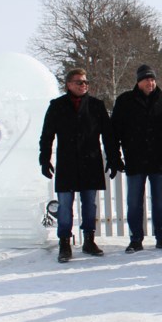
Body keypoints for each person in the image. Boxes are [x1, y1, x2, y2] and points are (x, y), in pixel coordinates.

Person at [39, 68, 122, 263]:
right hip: (67, 163)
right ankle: (65, 243)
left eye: (85, 82)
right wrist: (44, 159)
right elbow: (47, 135)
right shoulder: (57, 106)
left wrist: (113, 158)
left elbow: (108, 136)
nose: (83, 85)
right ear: (68, 85)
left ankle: (89, 240)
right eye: (78, 82)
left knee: (90, 204)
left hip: (90, 162)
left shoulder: (96, 106)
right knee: (65, 205)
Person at [111, 64, 162, 253]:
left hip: (159, 160)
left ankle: (161, 237)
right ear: (138, 81)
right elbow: (114, 132)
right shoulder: (125, 101)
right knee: (134, 202)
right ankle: (136, 239)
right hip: (135, 159)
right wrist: (115, 156)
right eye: (146, 79)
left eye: (152, 79)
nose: (150, 82)